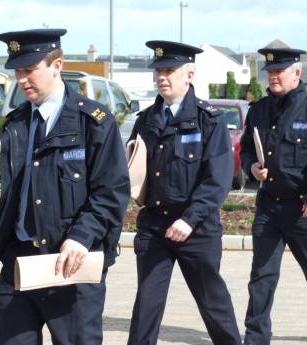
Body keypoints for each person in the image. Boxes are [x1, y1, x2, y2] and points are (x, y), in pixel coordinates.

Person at [0, 28, 130, 345]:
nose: (21, 80)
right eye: (17, 71)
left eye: (29, 70)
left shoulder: (93, 123)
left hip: (70, 265)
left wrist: (80, 236)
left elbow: (111, 192)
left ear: (56, 65)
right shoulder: (17, 123)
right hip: (20, 263)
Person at [126, 40, 242, 345]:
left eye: (169, 70)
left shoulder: (210, 121)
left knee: (213, 303)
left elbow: (217, 179)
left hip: (197, 229)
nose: (162, 77)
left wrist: (190, 219)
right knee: (147, 306)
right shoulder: (146, 120)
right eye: (158, 70)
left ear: (189, 74)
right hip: (155, 227)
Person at [240, 45, 307, 345]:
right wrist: (252, 169)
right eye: (270, 72)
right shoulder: (258, 110)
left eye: (279, 72)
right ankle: (256, 336)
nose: (272, 77)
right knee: (262, 276)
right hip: (269, 207)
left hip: (303, 209)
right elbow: (248, 148)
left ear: (297, 73)